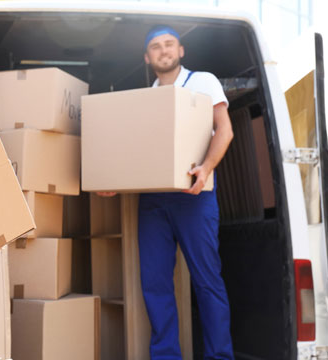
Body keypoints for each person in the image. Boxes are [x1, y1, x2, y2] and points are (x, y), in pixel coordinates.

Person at [101, 25, 235, 359]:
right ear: (148, 58)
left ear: (181, 50)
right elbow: (138, 152)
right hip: (154, 200)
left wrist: (206, 169)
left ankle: (220, 356)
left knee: (207, 282)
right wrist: (115, 182)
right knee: (155, 283)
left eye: (169, 44)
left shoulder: (202, 81)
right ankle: (165, 355)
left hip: (195, 195)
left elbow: (226, 130)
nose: (164, 51)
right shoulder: (147, 97)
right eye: (157, 47)